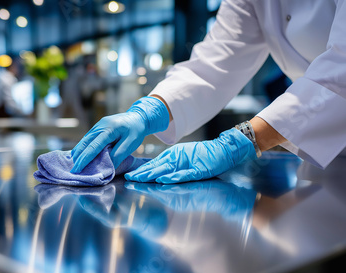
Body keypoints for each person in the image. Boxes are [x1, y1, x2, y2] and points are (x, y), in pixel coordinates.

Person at [70, 0, 346, 184]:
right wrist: (147, 111)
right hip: (324, 160)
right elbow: (215, 63)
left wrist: (240, 141)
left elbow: (340, 72)